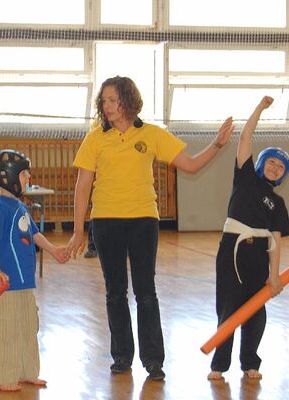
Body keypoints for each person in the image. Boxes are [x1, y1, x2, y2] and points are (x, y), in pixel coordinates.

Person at [66, 76, 234, 381]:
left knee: (146, 292)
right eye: (103, 100)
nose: (106, 105)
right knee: (115, 291)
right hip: (106, 222)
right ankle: (121, 356)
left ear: (128, 100)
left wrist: (218, 144)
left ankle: (154, 360)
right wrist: (79, 230)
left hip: (143, 221)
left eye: (112, 99)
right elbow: (83, 185)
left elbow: (191, 165)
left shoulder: (152, 134)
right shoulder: (95, 139)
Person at [207, 96, 289, 381]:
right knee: (228, 308)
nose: (275, 168)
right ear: (261, 163)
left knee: (256, 313)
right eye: (272, 163)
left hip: (258, 257)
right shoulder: (245, 177)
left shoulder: (278, 204)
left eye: (281, 167)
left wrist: (275, 275)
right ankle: (219, 365)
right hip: (233, 251)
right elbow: (246, 136)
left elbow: (275, 240)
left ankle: (250, 362)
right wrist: (260, 108)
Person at [0, 149, 69, 392]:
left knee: (28, 326)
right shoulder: (1, 208)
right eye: (24, 174)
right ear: (8, 177)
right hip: (6, 286)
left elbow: (34, 234)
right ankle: (3, 375)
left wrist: (53, 250)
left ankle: (26, 371)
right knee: (7, 329)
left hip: (25, 282)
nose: (28, 177)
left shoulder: (20, 206)